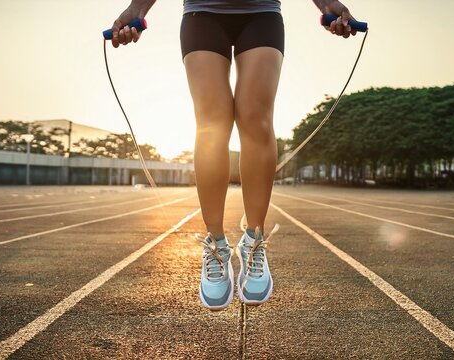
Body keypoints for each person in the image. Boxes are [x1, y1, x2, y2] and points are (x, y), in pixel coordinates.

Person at [111, 0, 357, 310]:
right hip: (202, 12)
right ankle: (216, 244)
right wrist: (137, 9)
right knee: (212, 123)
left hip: (261, 12)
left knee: (256, 117)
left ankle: (253, 241)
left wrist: (329, 4)